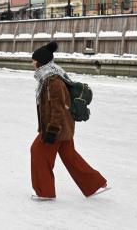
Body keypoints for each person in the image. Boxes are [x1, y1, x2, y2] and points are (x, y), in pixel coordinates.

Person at [30, 41, 108, 201]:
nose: (32, 63)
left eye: (33, 60)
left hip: (56, 128)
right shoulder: (51, 77)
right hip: (65, 127)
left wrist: (52, 131)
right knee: (70, 157)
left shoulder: (52, 81)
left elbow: (58, 108)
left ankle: (45, 192)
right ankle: (94, 183)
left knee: (38, 152)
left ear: (40, 62)